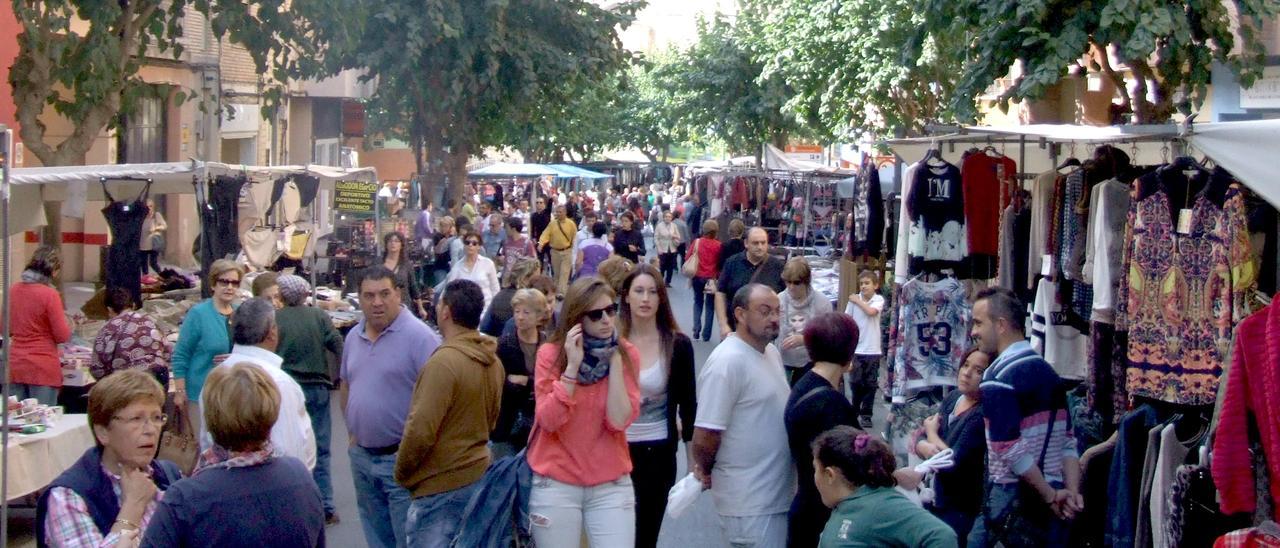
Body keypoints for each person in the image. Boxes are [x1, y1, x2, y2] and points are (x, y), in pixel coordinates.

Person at [142, 363, 325, 547]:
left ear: (210, 417)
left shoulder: (185, 497)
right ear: (271, 412)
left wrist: (128, 518)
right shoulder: (298, 476)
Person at [527, 277, 641, 547]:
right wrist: (571, 369)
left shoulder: (627, 355)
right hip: (556, 483)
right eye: (595, 314)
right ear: (577, 319)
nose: (606, 320)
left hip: (610, 483)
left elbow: (618, 421)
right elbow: (548, 420)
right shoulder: (551, 355)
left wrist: (614, 361)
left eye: (611, 310)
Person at [967, 287, 1081, 548]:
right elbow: (1067, 442)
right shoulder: (1050, 374)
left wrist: (1051, 495)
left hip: (1013, 497)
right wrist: (1071, 494)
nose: (973, 332)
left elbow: (1008, 447)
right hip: (1051, 499)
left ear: (1002, 325)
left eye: (978, 323)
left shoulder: (998, 379)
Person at [397, 280, 504, 548]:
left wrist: (402, 471)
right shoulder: (492, 361)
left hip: (440, 485)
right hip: (476, 472)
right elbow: (492, 419)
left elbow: (420, 429)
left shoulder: (444, 363)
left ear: (445, 311)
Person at [341, 266, 442, 548]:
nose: (377, 302)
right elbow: (346, 384)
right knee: (376, 537)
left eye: (385, 294)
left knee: (407, 539)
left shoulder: (421, 338)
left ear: (398, 294)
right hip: (362, 457)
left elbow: (438, 398)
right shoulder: (353, 337)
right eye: (369, 295)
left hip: (401, 461)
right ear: (359, 299)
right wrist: (352, 435)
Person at [692, 284, 795, 547]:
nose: (773, 318)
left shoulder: (770, 352)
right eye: (764, 311)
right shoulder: (727, 362)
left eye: (777, 311)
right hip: (749, 504)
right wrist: (705, 469)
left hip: (776, 497)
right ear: (739, 314)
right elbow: (706, 434)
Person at [39, 370, 181, 547]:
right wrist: (132, 509)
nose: (151, 429)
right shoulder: (69, 496)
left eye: (157, 418)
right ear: (103, 432)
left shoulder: (168, 476)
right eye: (136, 419)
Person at [618, 264, 697, 548]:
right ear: (626, 296)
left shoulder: (678, 345)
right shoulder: (612, 343)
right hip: (615, 452)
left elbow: (688, 404)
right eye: (639, 291)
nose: (645, 299)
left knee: (646, 535)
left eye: (653, 292)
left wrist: (692, 461)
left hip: (658, 453)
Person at [206, 297, 316, 468]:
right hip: (272, 487)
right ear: (272, 332)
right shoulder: (278, 382)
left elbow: (207, 442)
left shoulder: (215, 377)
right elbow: (290, 451)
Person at [895, 348, 991, 545]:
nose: (967, 373)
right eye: (965, 365)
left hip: (960, 503)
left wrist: (931, 434)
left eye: (979, 370)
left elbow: (952, 459)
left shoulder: (980, 414)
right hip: (935, 494)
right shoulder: (954, 397)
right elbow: (924, 434)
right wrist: (924, 444)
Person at [784, 313, 860, 547]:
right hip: (823, 515)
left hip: (805, 504)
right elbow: (853, 465)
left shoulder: (804, 383)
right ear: (849, 353)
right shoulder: (831, 405)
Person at [811, 427, 957, 547]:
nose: (815, 477)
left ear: (830, 475)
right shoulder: (851, 504)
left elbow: (941, 535)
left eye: (816, 469)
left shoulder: (879, 504)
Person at [275, 274, 345, 524]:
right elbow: (338, 344)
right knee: (322, 447)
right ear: (305, 295)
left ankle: (293, 504)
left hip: (286, 388)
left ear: (281, 295)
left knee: (289, 448)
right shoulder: (318, 316)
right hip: (317, 388)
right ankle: (325, 504)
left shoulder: (274, 319)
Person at [173, 259, 242, 441]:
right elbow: (181, 354)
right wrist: (180, 392)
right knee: (201, 446)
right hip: (200, 393)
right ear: (213, 284)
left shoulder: (240, 312)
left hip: (232, 394)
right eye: (224, 282)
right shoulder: (198, 314)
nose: (229, 287)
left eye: (234, 283)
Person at [7, 246, 72, 406]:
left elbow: (4, 328)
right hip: (43, 367)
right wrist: (70, 324)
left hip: (16, 365)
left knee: (16, 421)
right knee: (42, 423)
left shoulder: (13, 290)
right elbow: (62, 335)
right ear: (53, 270)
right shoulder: (50, 295)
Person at [492, 288, 548, 457]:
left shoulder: (547, 344)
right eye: (517, 312)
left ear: (539, 316)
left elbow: (550, 381)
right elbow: (497, 382)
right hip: (508, 422)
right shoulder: (504, 344)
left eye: (526, 312)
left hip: (537, 421)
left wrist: (527, 381)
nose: (520, 316)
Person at [92, 287, 172, 386]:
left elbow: (97, 367)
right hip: (157, 378)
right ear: (133, 305)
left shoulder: (108, 329)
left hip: (126, 382)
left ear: (109, 309)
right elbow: (168, 352)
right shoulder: (150, 322)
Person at [717, 227, 786, 338]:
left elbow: (786, 297)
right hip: (734, 330)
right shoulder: (732, 263)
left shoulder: (777, 266)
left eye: (763, 243)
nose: (760, 247)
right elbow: (720, 293)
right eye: (755, 243)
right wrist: (723, 324)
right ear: (746, 243)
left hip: (765, 334)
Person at [776, 258, 834, 384]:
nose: (791, 287)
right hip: (783, 361)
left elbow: (829, 337)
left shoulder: (822, 303)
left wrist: (805, 339)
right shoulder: (778, 300)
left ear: (806, 281)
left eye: (796, 283)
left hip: (811, 363)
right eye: (787, 282)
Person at [845, 271, 886, 429]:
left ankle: (866, 414)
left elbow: (871, 312)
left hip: (872, 350)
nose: (863, 286)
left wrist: (856, 300)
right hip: (857, 349)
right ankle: (854, 409)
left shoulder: (878, 300)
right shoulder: (854, 302)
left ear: (875, 285)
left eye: (867, 283)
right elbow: (847, 320)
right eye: (861, 284)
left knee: (870, 384)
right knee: (855, 381)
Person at [481, 257, 541, 338]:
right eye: (536, 279)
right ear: (524, 278)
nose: (539, 282)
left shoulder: (500, 295)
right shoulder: (524, 301)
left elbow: (484, 327)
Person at [687, 220, 723, 342]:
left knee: (697, 301)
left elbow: (688, 257)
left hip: (697, 276)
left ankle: (696, 328)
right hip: (711, 279)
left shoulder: (697, 242)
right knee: (710, 306)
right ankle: (706, 334)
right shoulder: (718, 245)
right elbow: (720, 263)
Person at [447, 232, 501, 311]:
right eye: (467, 243)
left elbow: (495, 289)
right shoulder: (457, 267)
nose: (470, 245)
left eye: (474, 243)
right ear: (464, 245)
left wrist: (495, 309)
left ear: (479, 247)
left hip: (486, 309)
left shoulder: (488, 263)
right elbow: (449, 289)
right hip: (465, 310)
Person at [538, 204, 578, 296]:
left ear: (565, 212)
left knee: (564, 272)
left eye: (560, 212)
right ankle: (555, 291)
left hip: (567, 251)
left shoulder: (571, 224)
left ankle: (561, 293)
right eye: (557, 212)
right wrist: (541, 244)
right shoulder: (552, 224)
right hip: (555, 252)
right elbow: (545, 234)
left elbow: (575, 237)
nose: (558, 214)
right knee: (557, 273)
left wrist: (573, 249)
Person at [384, 232, 426, 318]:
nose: (393, 244)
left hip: (404, 306)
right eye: (390, 241)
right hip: (385, 306)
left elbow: (414, 287)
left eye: (396, 241)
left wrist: (421, 308)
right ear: (386, 244)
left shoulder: (406, 265)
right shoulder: (379, 263)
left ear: (401, 245)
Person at [139, 199, 167, 276]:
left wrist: (155, 228)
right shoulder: (141, 217)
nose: (149, 208)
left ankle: (163, 276)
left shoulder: (156, 215)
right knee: (143, 264)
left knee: (153, 263)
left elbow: (164, 226)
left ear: (153, 207)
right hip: (142, 244)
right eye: (147, 207)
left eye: (150, 206)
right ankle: (146, 278)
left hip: (153, 243)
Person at [654, 210, 681, 286]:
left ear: (671, 218)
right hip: (662, 249)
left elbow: (678, 237)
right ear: (663, 218)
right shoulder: (659, 226)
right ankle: (660, 281)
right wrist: (658, 248)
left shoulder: (674, 226)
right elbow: (656, 238)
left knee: (670, 267)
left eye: (669, 217)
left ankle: (668, 282)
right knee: (662, 266)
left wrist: (674, 236)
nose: (667, 218)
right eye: (666, 217)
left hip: (672, 248)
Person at [430, 216, 458, 289]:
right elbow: (437, 250)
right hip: (440, 266)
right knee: (440, 287)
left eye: (446, 226)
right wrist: (446, 238)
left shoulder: (455, 238)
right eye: (442, 226)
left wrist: (452, 235)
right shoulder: (437, 236)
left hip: (451, 266)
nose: (443, 228)